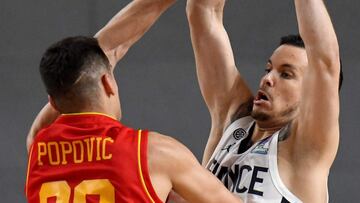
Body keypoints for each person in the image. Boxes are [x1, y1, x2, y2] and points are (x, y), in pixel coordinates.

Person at [25, 0, 242, 202]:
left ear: (52, 103)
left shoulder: (37, 146)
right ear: (107, 82)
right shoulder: (155, 153)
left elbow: (107, 52)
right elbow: (109, 49)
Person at [186, 0, 342, 202]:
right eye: (269, 69)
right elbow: (203, 11)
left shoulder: (306, 149)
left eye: (286, 74)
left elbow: (325, 61)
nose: (267, 79)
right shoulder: (234, 118)